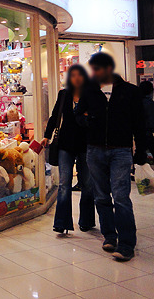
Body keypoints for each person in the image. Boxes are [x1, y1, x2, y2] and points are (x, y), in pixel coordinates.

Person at [75, 52, 148, 261]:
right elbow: (78, 114)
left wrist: (141, 151)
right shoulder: (90, 91)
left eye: (96, 69)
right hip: (95, 150)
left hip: (121, 150)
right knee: (101, 196)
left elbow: (139, 123)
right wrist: (88, 121)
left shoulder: (130, 91)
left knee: (121, 196)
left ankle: (126, 243)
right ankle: (109, 235)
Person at [42, 65, 94, 234]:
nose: (76, 78)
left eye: (79, 75)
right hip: (65, 143)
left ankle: (86, 220)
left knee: (87, 183)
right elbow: (55, 115)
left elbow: (98, 118)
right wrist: (47, 135)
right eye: (73, 75)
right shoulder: (64, 94)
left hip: (86, 144)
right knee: (64, 183)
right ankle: (61, 222)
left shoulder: (90, 95)